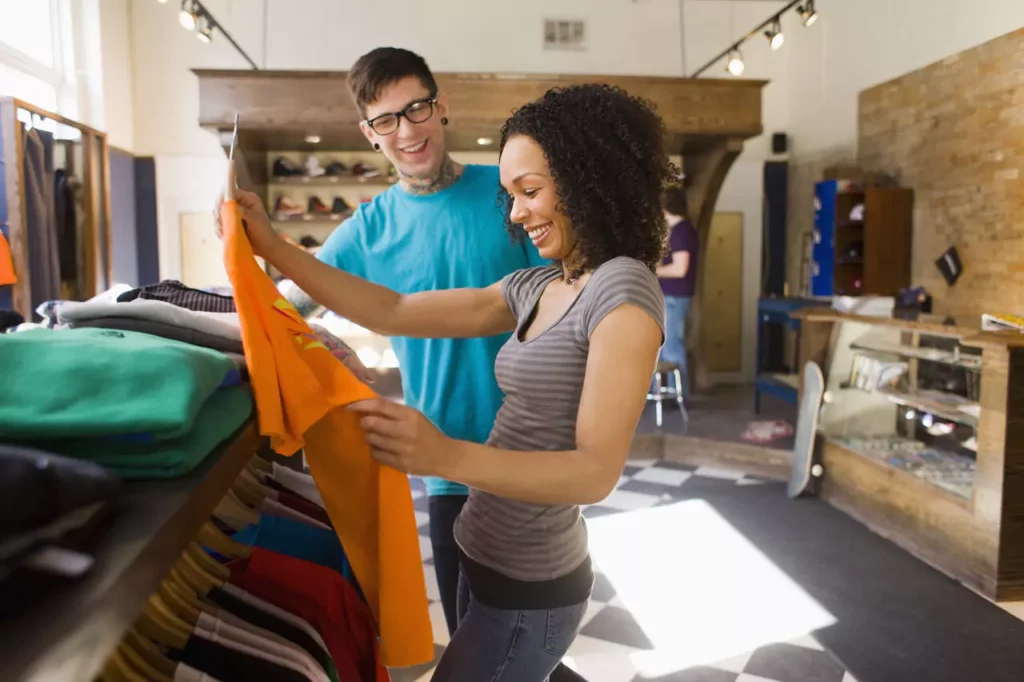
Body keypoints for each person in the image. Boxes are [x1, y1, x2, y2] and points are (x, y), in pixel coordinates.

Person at [221, 82, 670, 681]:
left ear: (590, 178)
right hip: (486, 563)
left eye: (530, 191)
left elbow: (594, 473)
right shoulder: (539, 287)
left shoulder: (623, 292)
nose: (516, 213)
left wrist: (443, 455)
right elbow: (396, 310)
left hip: (532, 588)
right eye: (511, 195)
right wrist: (272, 246)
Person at [277, 47, 547, 639]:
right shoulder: (366, 230)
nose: (406, 131)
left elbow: (559, 303)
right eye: (385, 120)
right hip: (443, 462)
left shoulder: (506, 195)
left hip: (529, 455)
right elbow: (284, 307)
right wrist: (324, 344)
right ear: (369, 134)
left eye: (416, 109)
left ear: (441, 107)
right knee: (472, 644)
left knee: (531, 642)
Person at [655, 185, 698, 395]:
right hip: (670, 296)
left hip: (674, 297)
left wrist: (655, 270)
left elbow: (681, 268)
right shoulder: (677, 231)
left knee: (672, 347)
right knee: (665, 347)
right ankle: (670, 392)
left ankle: (677, 393)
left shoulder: (682, 231)